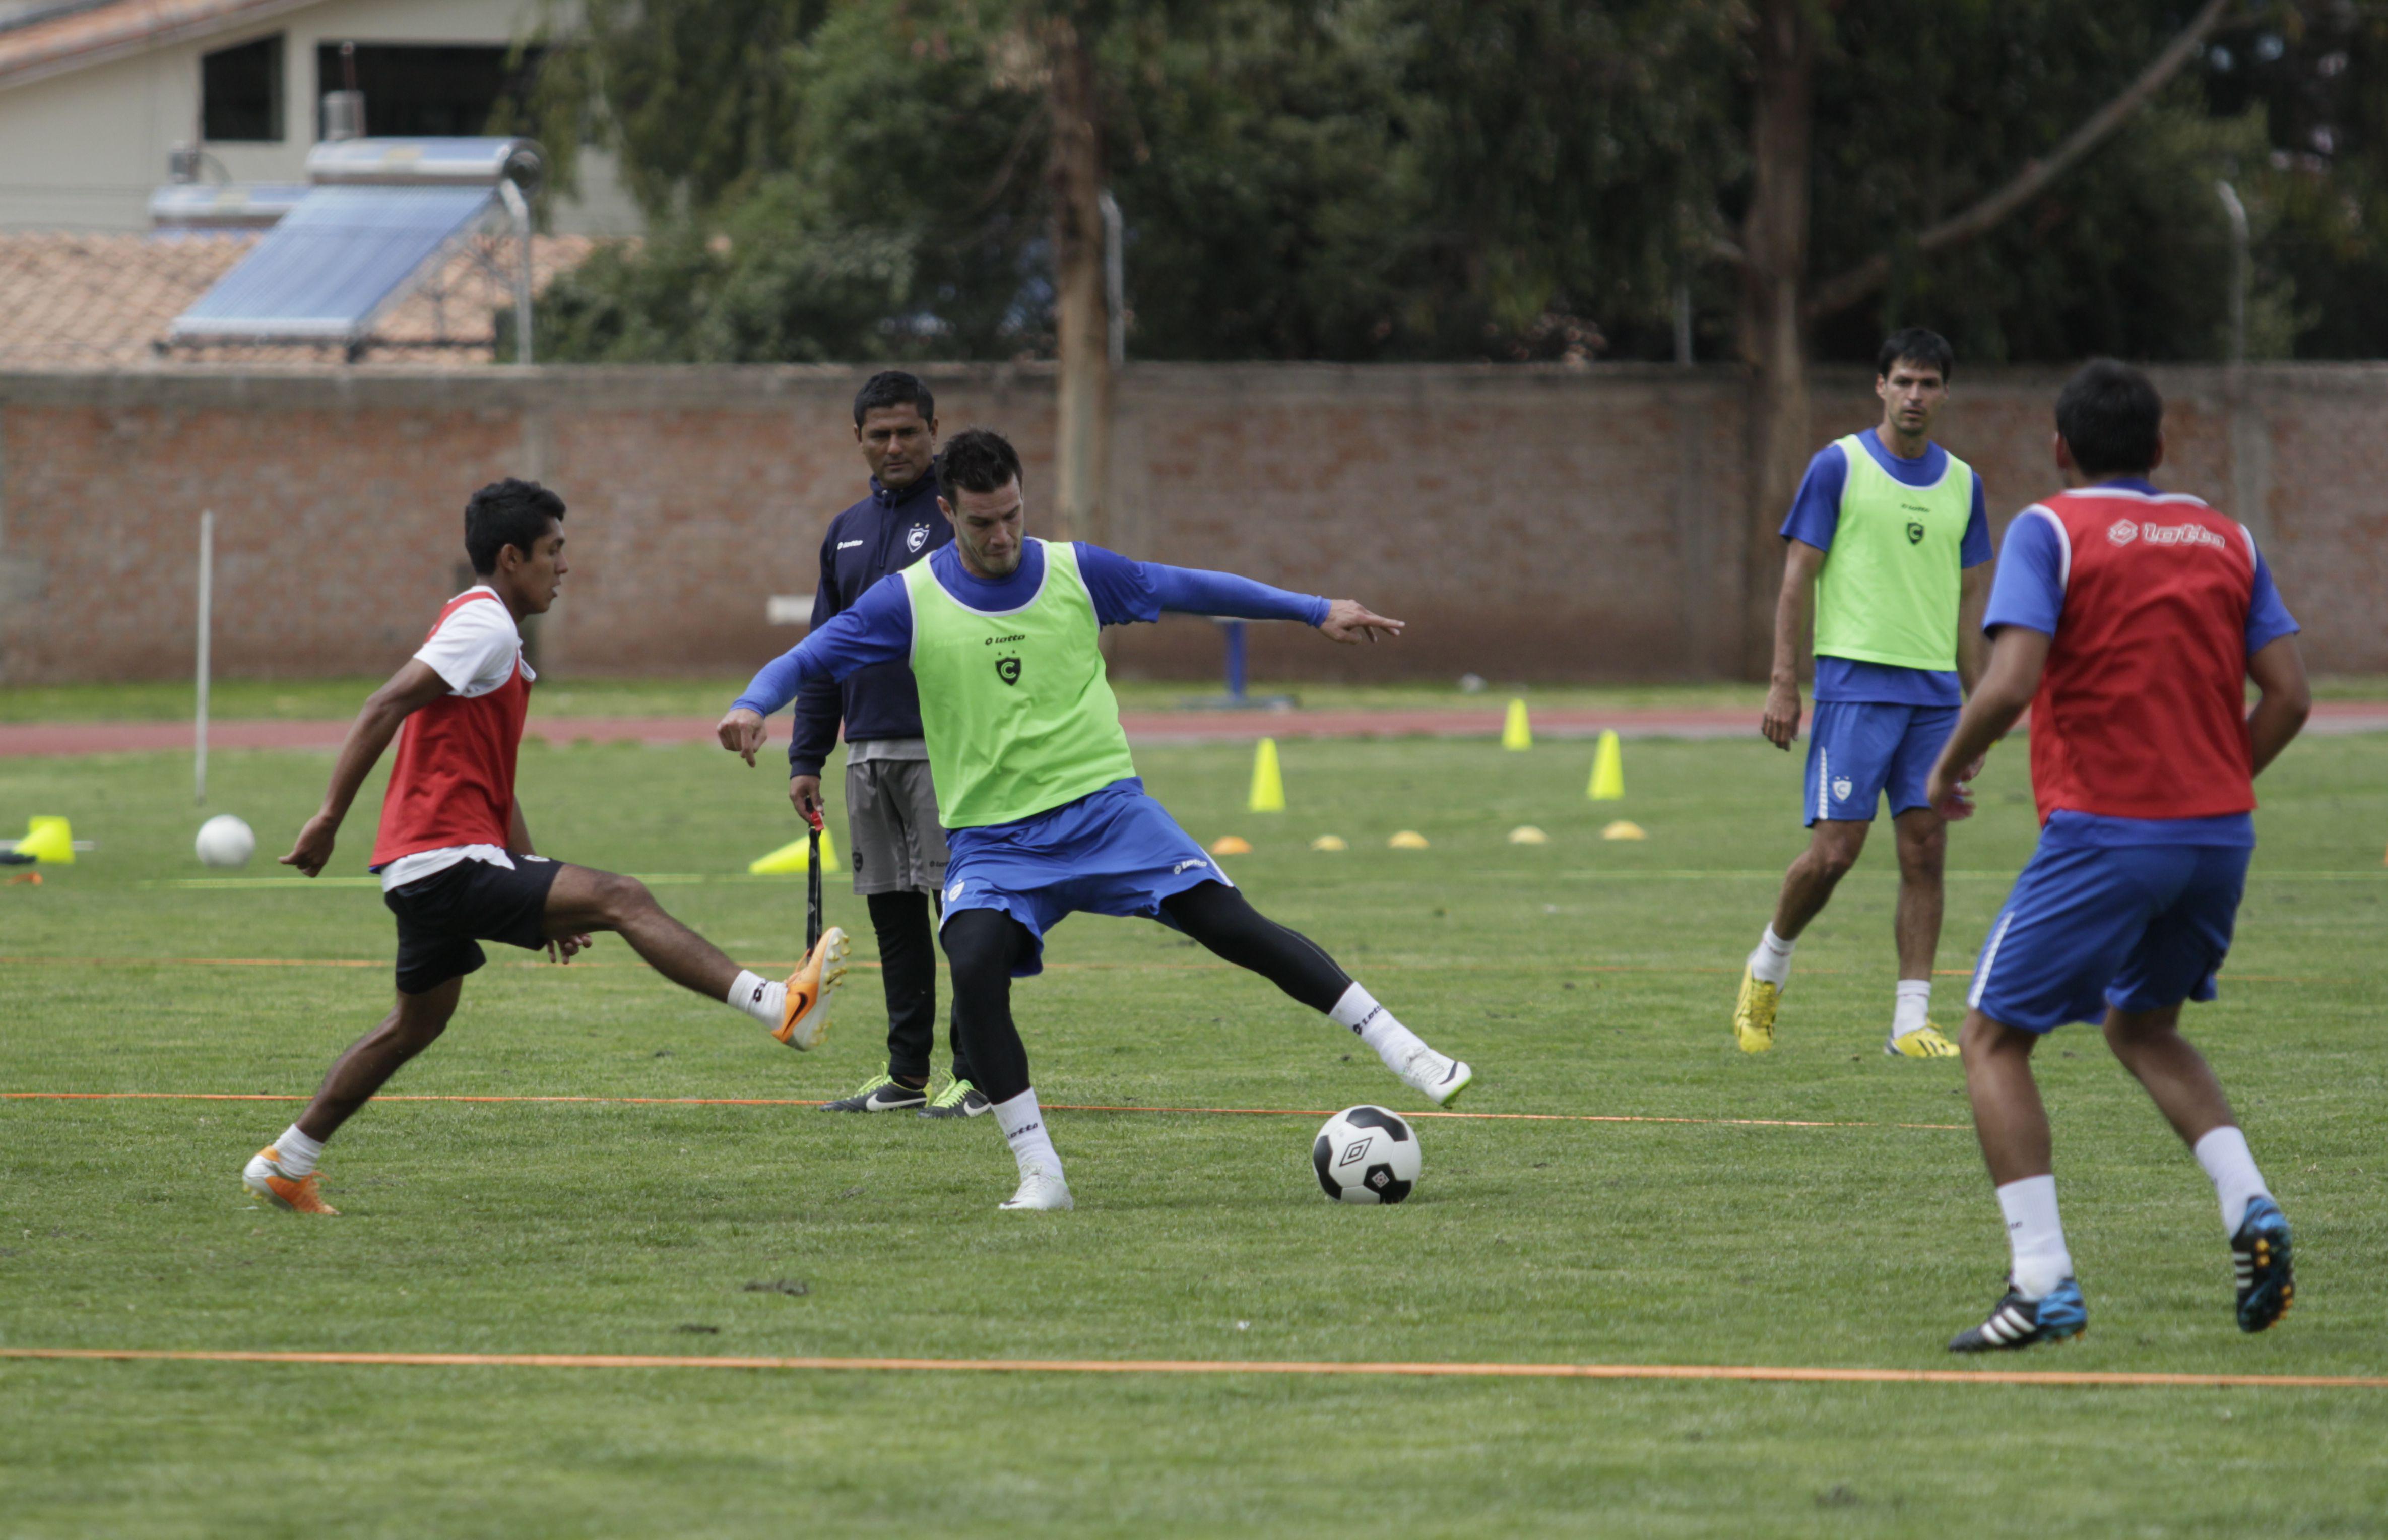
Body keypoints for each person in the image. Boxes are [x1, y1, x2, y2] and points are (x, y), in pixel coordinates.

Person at [718, 429, 1473, 1212]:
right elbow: (811, 656)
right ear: (948, 513)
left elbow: (1191, 588)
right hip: (996, 841)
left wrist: (1315, 610)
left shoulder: (1079, 572)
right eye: (981, 523)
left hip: (1110, 815)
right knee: (973, 962)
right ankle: (1041, 1173)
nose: (1002, 534)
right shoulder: (909, 598)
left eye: (1012, 514)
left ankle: (1409, 1051)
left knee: (1233, 924)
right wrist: (751, 704)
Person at [241, 479, 844, 1216]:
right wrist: (328, 816)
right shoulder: (484, 626)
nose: (564, 567)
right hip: (443, 859)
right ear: (510, 556)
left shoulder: (487, 630)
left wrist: (534, 877)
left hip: (429, 863)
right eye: (553, 552)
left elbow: (493, 780)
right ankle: (780, 1006)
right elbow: (384, 704)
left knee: (416, 1024)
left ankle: (286, 1161)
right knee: (623, 897)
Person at [1924, 361, 2306, 1351]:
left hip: (2106, 832)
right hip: (2219, 837)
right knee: (2142, 1027)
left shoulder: (2049, 530)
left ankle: (2043, 1278)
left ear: (2061, 449)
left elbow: (2010, 685)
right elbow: (2292, 696)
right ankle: (2250, 1202)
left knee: (1991, 1039)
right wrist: (2218, 779)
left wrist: (1949, 767)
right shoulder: (2228, 536)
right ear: (2161, 446)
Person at [1735, 327, 1993, 1059]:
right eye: (1904, 381)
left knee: (1925, 851)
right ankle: (1768, 966)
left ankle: (1911, 1022)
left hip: (1936, 700)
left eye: (1929, 384)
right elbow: (1797, 579)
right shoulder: (1837, 466)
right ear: (1879, 386)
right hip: (1853, 688)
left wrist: (1979, 708)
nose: (1915, 396)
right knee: (1835, 854)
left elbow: (1968, 604)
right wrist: (1785, 682)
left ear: (1945, 393)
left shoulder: (1964, 484)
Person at [792, 371, 983, 1118]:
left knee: (965, 917)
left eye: (909, 431)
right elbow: (822, 652)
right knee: (894, 919)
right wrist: (807, 757)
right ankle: (907, 1076)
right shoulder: (844, 529)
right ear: (859, 440)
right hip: (868, 753)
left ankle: (979, 1074)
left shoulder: (959, 518)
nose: (896, 446)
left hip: (951, 753)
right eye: (881, 434)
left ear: (935, 430)